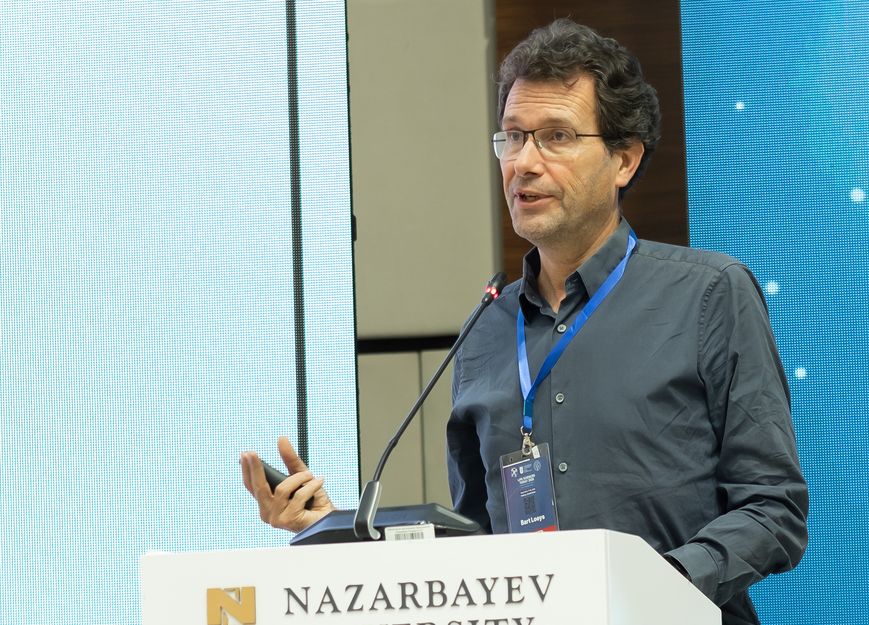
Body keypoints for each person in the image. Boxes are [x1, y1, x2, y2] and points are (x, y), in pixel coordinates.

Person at [241, 18, 807, 625]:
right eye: (512, 138)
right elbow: (471, 550)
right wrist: (333, 530)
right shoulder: (486, 327)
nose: (524, 163)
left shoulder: (709, 295)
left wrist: (658, 583)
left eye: (556, 137)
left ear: (624, 159)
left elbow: (773, 509)